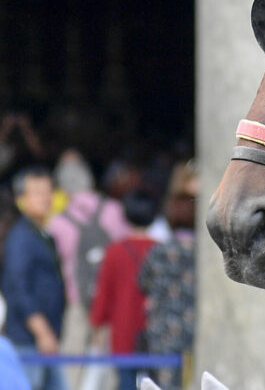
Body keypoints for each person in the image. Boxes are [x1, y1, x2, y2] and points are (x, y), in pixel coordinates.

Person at [48, 148, 129, 390]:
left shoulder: (58, 222)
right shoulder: (114, 210)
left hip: (76, 300)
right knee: (110, 363)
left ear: (62, 187)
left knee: (71, 361)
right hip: (112, 302)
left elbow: (57, 265)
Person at [0, 167, 67, 390]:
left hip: (46, 338)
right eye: (37, 192)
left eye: (48, 191)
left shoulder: (43, 235)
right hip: (28, 339)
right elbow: (18, 288)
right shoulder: (20, 238)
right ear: (21, 200)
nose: (45, 198)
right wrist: (42, 331)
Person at [89, 188, 157, 390]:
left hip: (123, 329)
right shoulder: (161, 250)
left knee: (125, 384)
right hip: (155, 332)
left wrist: (97, 325)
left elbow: (104, 294)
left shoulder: (115, 251)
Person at [139, 161, 198, 390]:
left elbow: (143, 282)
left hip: (162, 332)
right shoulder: (204, 256)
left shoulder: (159, 251)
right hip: (193, 331)